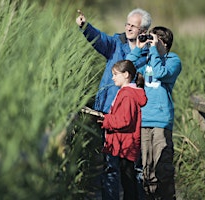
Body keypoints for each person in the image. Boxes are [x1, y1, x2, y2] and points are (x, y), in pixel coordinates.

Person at [76, 8, 152, 200]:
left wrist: (142, 49)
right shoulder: (116, 44)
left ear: (143, 30)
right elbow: (99, 39)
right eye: (127, 24)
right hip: (109, 112)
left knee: (133, 167)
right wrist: (85, 27)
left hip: (134, 117)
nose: (128, 28)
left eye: (133, 26)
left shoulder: (148, 53)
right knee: (110, 165)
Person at [126, 26, 182, 199]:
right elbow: (126, 66)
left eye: (154, 40)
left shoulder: (173, 60)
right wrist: (139, 47)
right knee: (147, 170)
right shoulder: (147, 60)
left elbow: (160, 72)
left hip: (161, 120)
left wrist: (155, 51)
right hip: (143, 120)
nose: (150, 43)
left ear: (164, 43)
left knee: (162, 168)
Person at [98, 60, 147, 200]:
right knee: (128, 180)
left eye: (115, 74)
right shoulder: (127, 93)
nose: (113, 77)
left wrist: (105, 120)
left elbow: (125, 120)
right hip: (126, 143)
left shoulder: (127, 94)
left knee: (128, 181)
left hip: (125, 144)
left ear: (126, 74)